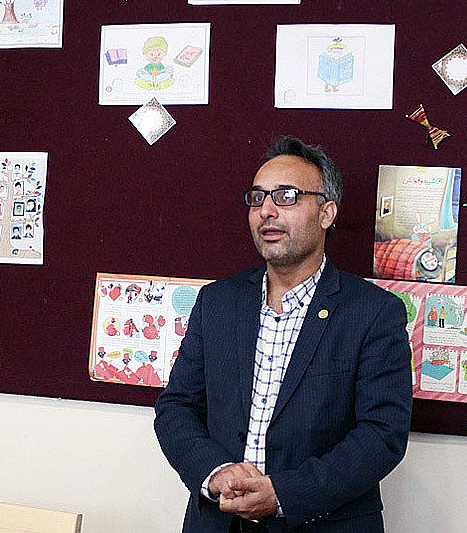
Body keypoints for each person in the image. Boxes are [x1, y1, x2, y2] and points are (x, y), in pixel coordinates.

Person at [154, 136, 412, 533]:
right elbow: (176, 407)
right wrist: (216, 472)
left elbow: (382, 435)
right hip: (218, 522)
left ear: (326, 213)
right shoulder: (216, 302)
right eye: (257, 198)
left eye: (287, 196)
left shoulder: (374, 312)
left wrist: (284, 494)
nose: (267, 211)